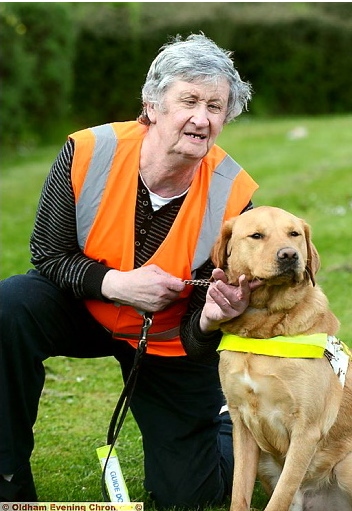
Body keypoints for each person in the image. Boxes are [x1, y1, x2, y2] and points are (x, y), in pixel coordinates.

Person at [0, 33, 260, 508]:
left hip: (168, 338)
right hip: (84, 307)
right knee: (10, 304)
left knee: (189, 496)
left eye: (216, 106)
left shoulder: (234, 196)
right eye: (189, 101)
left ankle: (227, 420)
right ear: (152, 105)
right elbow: (48, 252)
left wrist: (211, 319)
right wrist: (116, 284)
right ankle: (6, 481)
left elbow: (199, 331)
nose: (201, 118)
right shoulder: (88, 150)